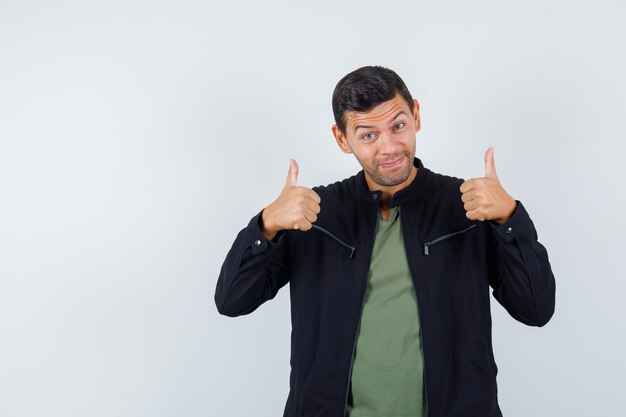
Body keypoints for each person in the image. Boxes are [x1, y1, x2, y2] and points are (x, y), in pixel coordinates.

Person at [215, 65, 556, 417]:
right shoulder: (313, 216)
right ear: (341, 138)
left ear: (416, 116)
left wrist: (510, 219)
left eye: (398, 126)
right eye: (368, 135)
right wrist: (266, 225)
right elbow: (232, 300)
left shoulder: (468, 206)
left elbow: (536, 308)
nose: (390, 147)